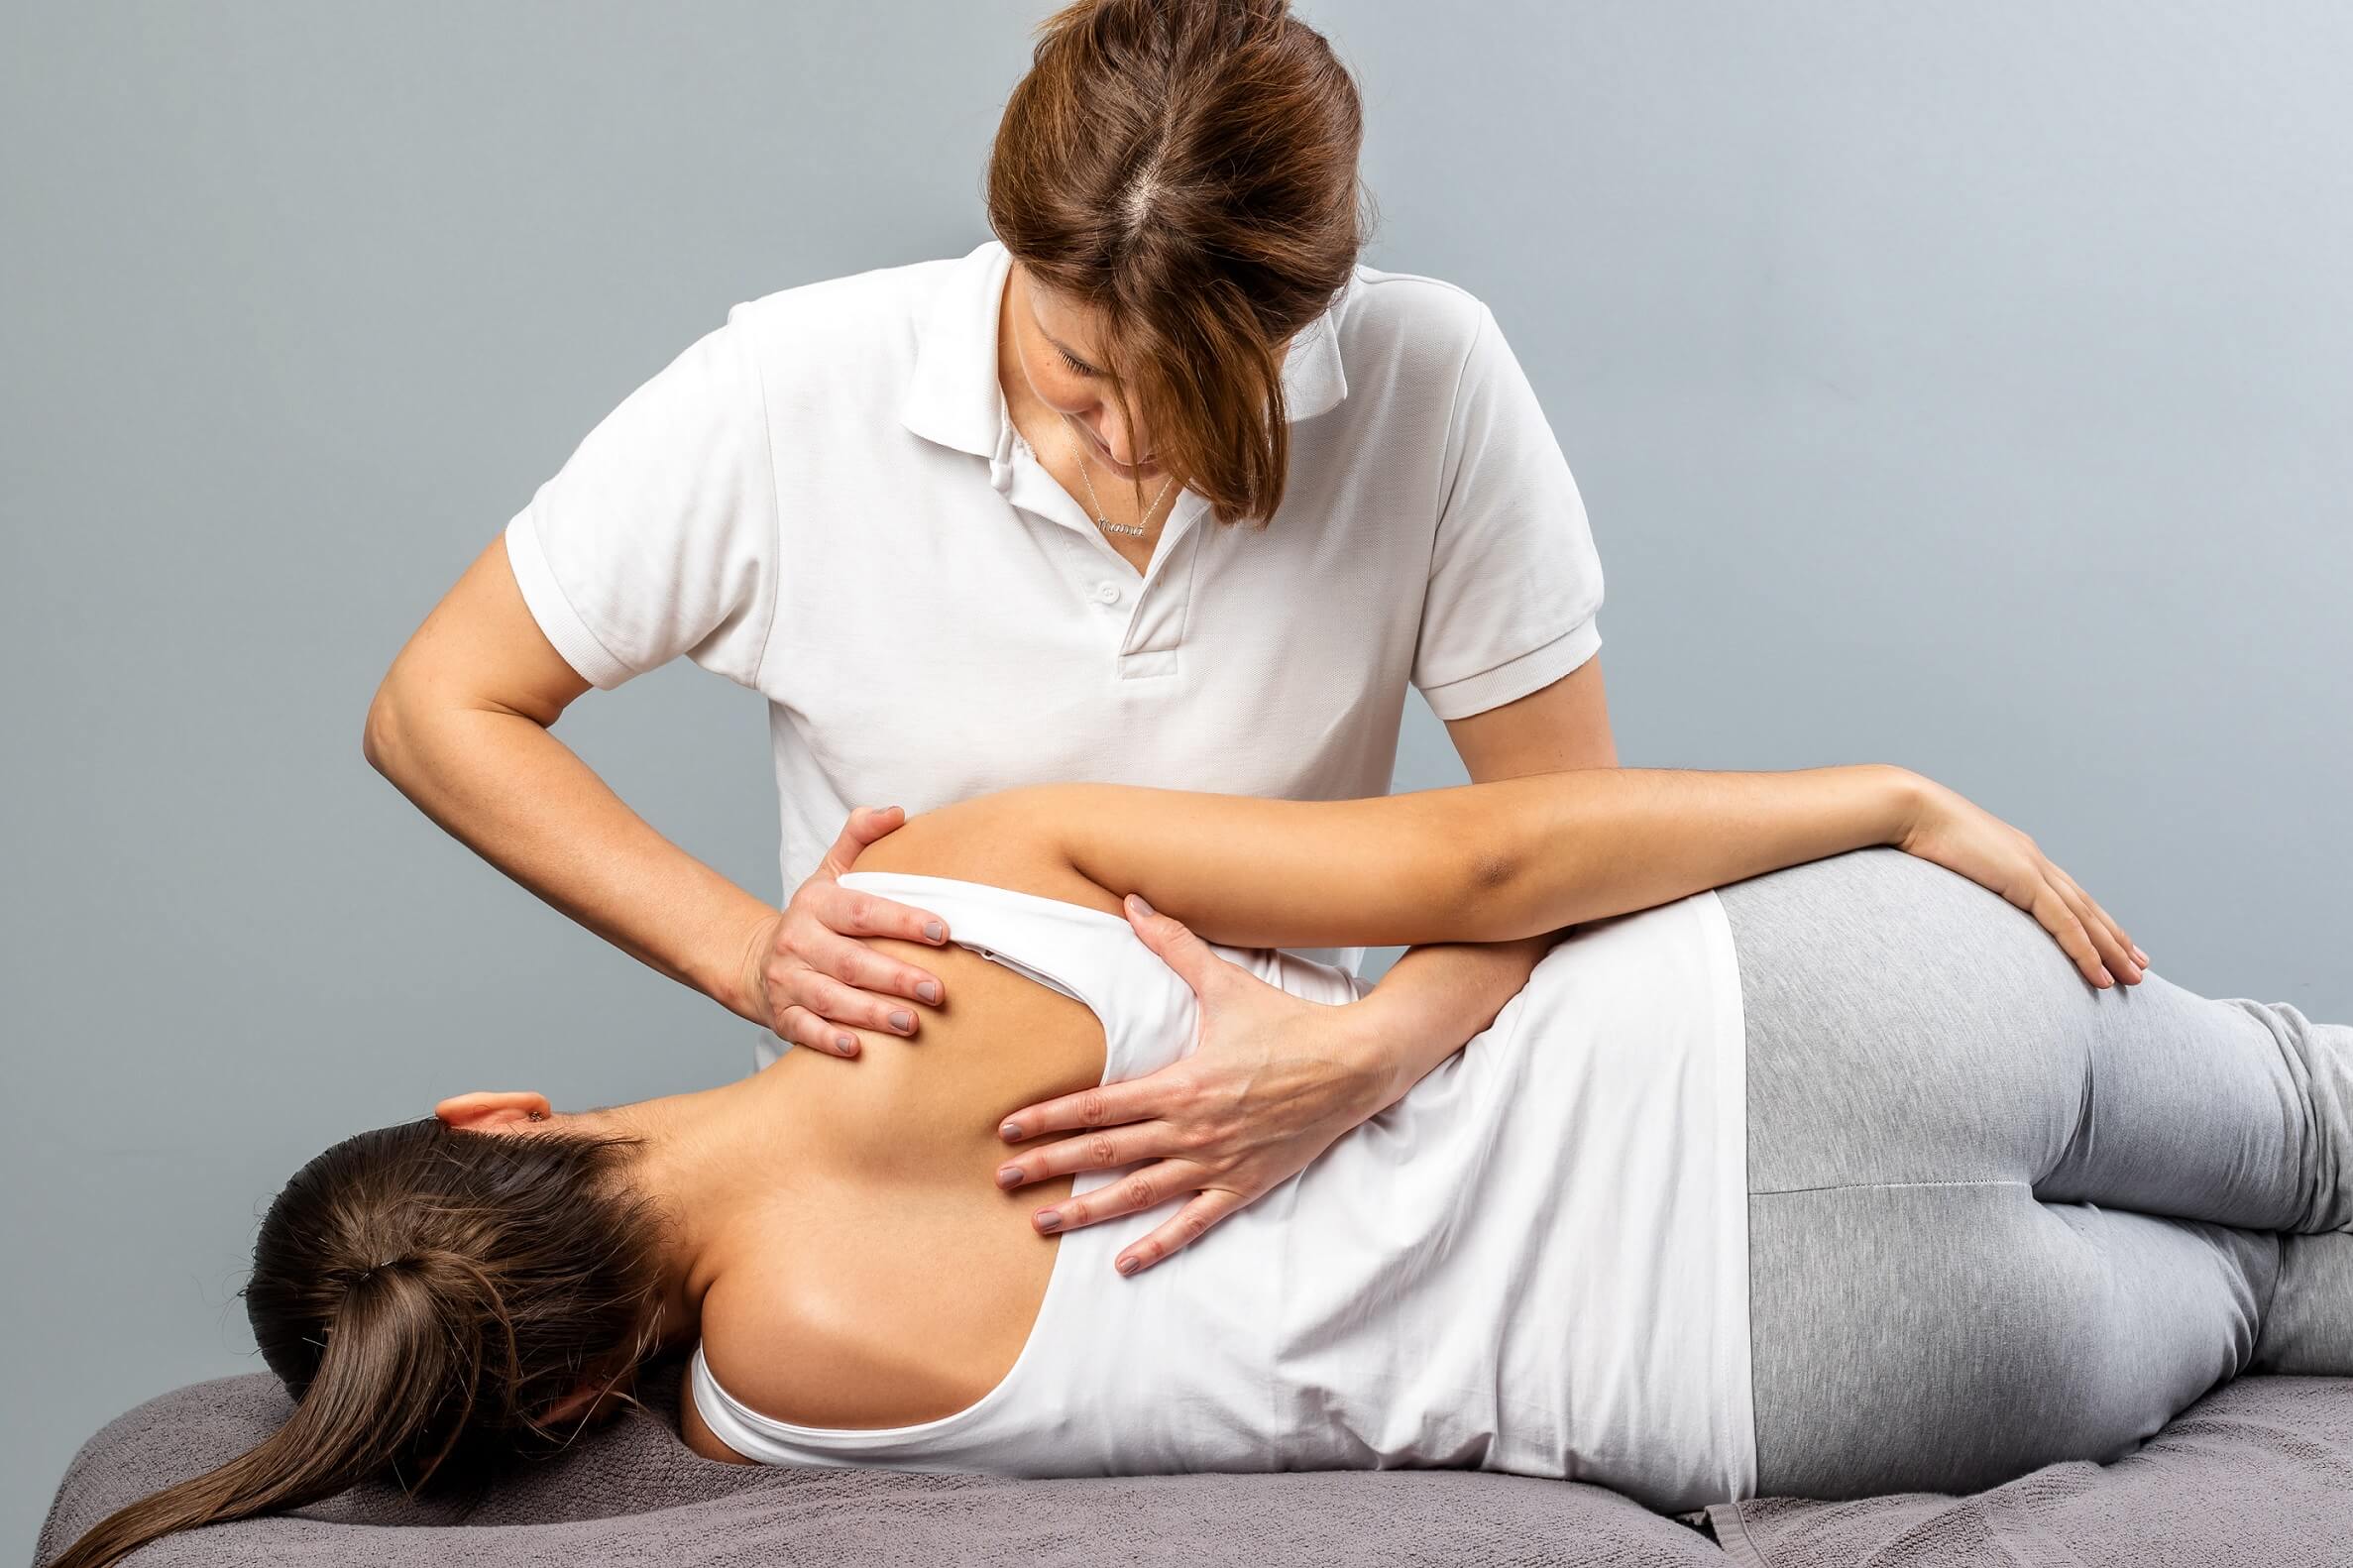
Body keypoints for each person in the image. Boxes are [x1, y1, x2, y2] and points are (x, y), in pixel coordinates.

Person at [55, 764, 2353, 1568]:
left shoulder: (772, 1412)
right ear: (496, 1114)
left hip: (1797, 1373)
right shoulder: (944, 889)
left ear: (553, 1405)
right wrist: (1884, 799)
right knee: (2311, 1116)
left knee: (2277, 1310)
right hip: (1790, 1020)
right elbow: (1497, 845)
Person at [365, 0, 1618, 1277]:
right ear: (1013, 247)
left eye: (1201, 390)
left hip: (1288, 1174)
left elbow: (1570, 839)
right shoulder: (795, 386)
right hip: (891, 1193)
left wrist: (1359, 1058)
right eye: (1080, 368)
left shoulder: (1432, 377)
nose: (1131, 437)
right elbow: (437, 709)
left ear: (1311, 309)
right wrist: (745, 953)